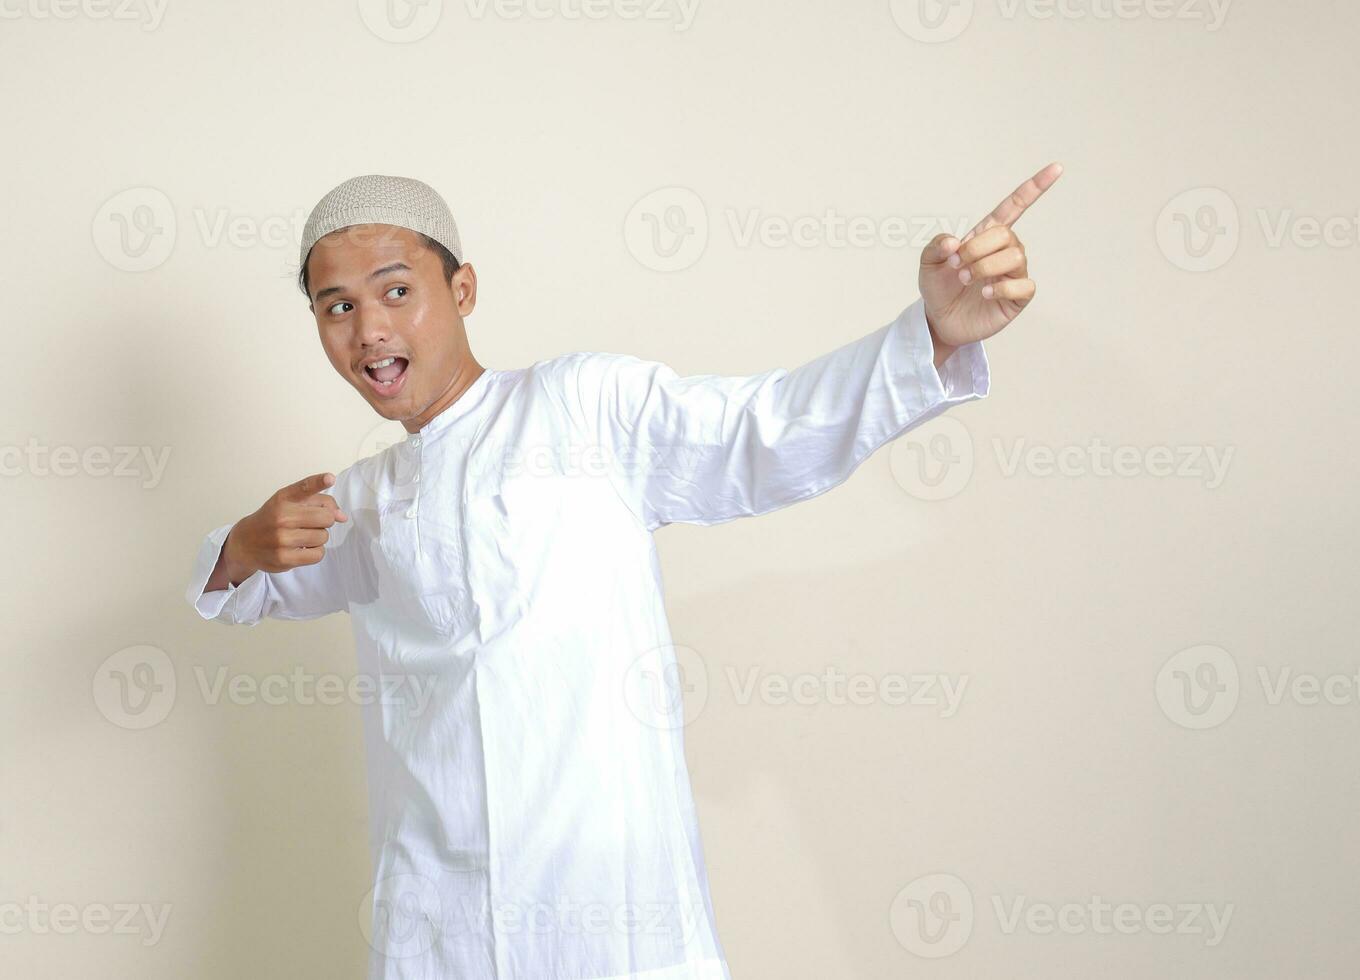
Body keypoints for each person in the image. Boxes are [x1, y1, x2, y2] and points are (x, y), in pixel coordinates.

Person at [185, 164, 1062, 980]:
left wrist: (930, 336)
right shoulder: (366, 499)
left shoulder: (583, 407)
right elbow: (241, 593)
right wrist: (243, 546)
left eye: (397, 292)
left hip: (608, 921)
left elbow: (767, 429)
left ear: (463, 290)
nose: (369, 328)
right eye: (335, 308)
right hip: (439, 925)